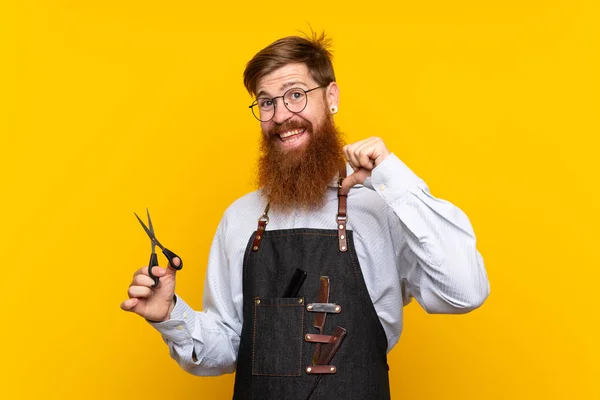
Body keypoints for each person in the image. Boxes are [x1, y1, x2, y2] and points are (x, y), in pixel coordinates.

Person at [120, 32, 490, 399]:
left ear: (331, 97)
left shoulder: (380, 207)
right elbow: (229, 348)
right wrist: (169, 314)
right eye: (266, 103)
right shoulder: (241, 217)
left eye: (295, 95)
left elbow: (465, 292)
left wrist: (393, 176)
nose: (281, 116)